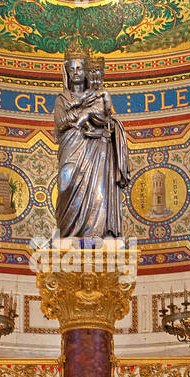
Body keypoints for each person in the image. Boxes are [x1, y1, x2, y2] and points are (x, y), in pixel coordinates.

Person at [53, 44, 130, 239]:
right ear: (67, 73)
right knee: (66, 183)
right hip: (71, 144)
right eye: (72, 69)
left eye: (80, 68)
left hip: (96, 148)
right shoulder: (63, 98)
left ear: (86, 72)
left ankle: (95, 231)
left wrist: (101, 119)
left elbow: (106, 119)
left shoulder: (97, 96)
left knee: (98, 191)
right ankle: (68, 233)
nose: (76, 73)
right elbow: (61, 123)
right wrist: (81, 109)